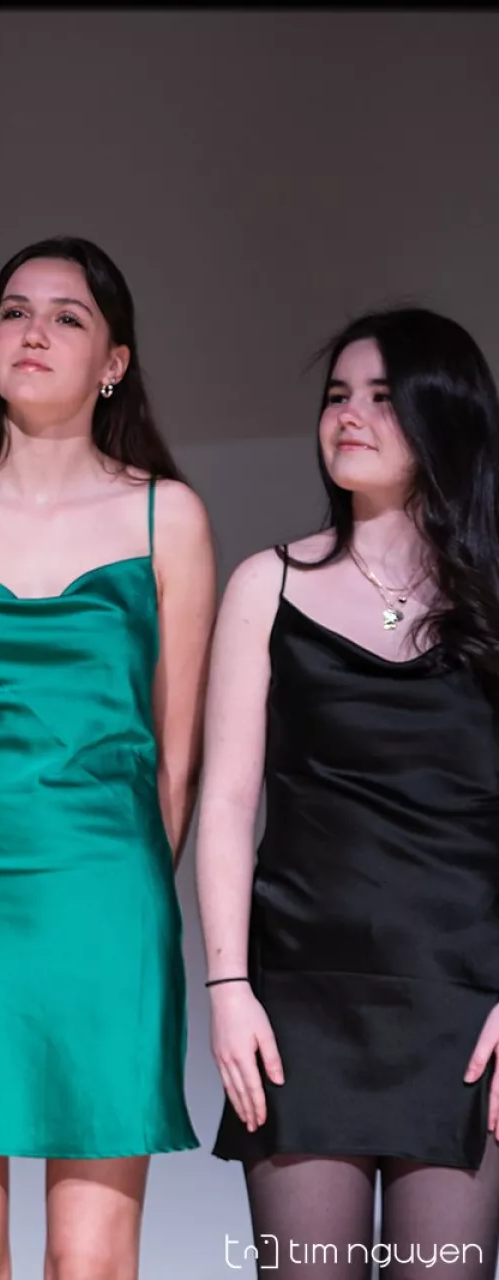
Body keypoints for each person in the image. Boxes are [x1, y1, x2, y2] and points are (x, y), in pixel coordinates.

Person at [0, 237, 216, 1278]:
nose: (34, 331)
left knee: (92, 1260)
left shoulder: (168, 517)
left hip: (106, 894)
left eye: (67, 316)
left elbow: (176, 764)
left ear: (114, 362)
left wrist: (112, 868)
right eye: (15, 311)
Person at [197, 309, 499, 1279]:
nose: (349, 416)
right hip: (301, 1010)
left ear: (441, 413)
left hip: (467, 1008)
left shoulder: (494, 600)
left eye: (379, 395)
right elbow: (228, 806)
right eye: (336, 396)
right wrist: (229, 986)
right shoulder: (266, 584)